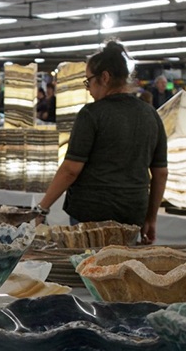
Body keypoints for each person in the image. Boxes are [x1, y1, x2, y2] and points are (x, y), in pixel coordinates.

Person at [37, 40, 167, 245]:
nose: (88, 89)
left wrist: (42, 207)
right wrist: (151, 218)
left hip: (91, 213)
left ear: (104, 77)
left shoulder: (91, 114)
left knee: (88, 270)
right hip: (133, 213)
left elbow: (70, 169)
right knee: (121, 272)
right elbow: (160, 173)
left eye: (88, 81)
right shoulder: (151, 114)